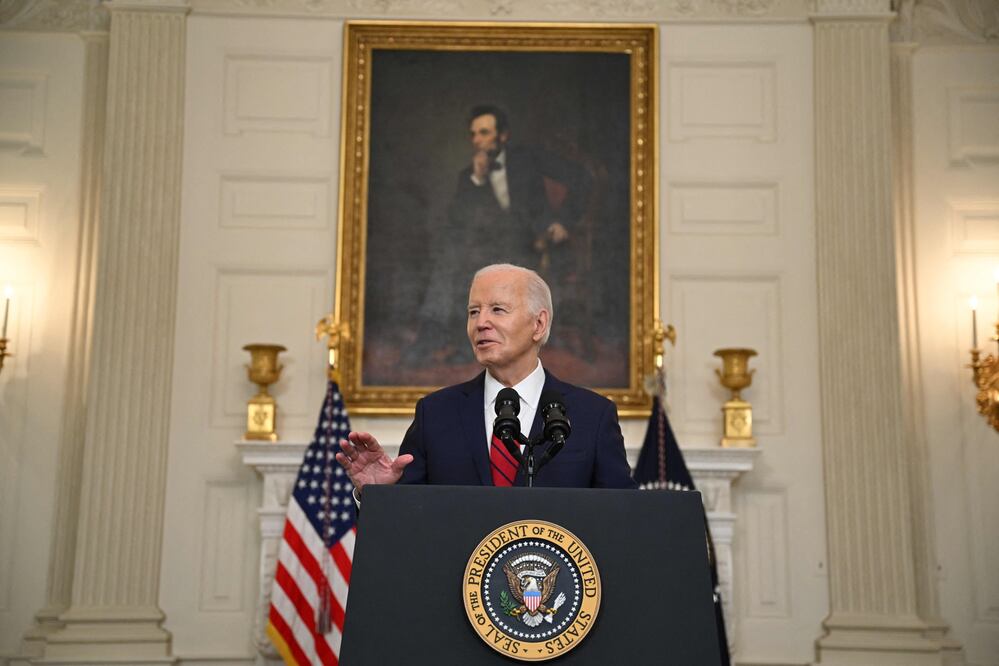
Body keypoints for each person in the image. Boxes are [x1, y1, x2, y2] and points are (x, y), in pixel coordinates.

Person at [336, 263, 636, 492]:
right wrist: (378, 495)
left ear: (539, 324)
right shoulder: (436, 414)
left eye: (497, 310)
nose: (481, 323)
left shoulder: (592, 416)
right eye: (473, 311)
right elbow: (408, 528)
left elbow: (621, 521)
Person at [409, 106, 591, 365]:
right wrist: (479, 179)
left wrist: (564, 222)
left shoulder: (529, 158)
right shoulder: (469, 176)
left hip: (532, 244)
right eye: (473, 135)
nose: (477, 141)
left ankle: (447, 340)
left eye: (484, 133)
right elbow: (457, 223)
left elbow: (582, 177)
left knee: (456, 261)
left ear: (503, 136)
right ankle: (435, 336)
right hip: (486, 249)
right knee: (449, 259)